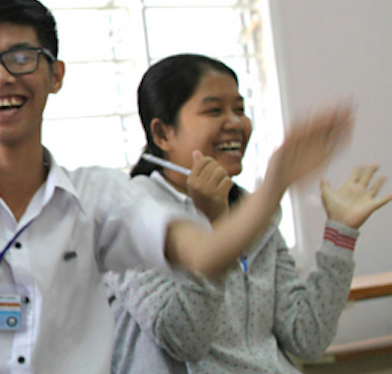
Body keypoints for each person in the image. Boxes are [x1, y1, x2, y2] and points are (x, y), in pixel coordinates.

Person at [0, 0, 354, 373]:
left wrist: (274, 185)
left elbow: (205, 254)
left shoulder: (98, 197)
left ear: (56, 74)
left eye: (21, 57)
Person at [104, 54, 391, 373]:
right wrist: (217, 229)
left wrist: (340, 234)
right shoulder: (130, 212)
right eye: (214, 110)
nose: (236, 123)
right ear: (162, 134)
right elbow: (184, 339)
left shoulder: (254, 212)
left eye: (240, 109)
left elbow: (306, 338)